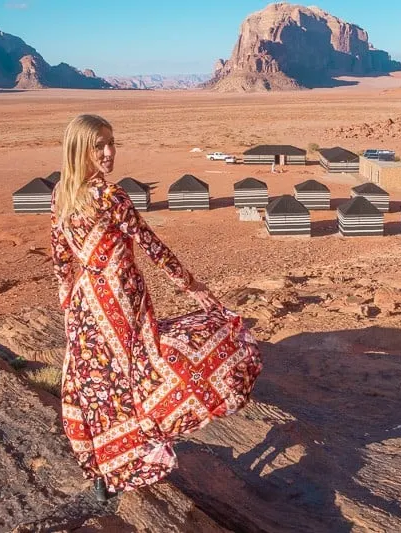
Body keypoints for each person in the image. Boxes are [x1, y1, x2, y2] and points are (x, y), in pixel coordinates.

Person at [50, 114, 261, 502]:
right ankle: (137, 451)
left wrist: (70, 311)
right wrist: (191, 285)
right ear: (81, 149)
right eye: (100, 145)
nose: (110, 152)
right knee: (141, 371)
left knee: (97, 385)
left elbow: (63, 263)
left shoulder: (61, 194)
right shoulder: (111, 197)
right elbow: (150, 245)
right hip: (119, 299)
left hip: (84, 303)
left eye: (112, 143)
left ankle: (104, 470)